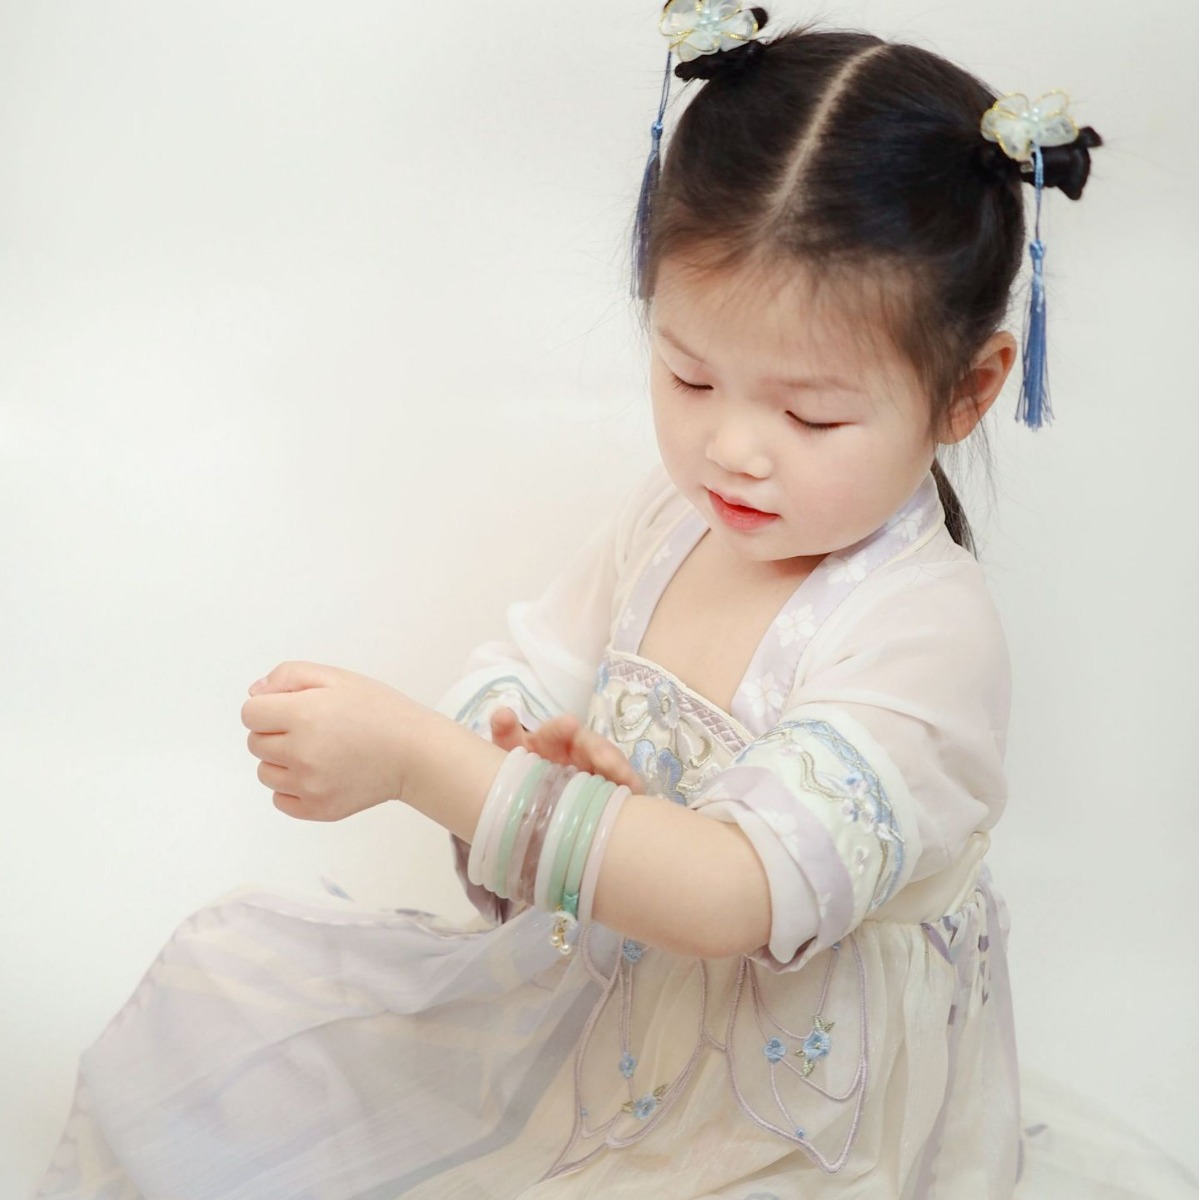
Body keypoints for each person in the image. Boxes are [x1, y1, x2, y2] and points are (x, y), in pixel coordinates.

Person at [35, 8, 1110, 1199]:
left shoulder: (923, 628)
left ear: (967, 392)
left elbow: (729, 893)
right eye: (689, 375)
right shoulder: (675, 521)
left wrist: (423, 762)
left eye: (810, 414)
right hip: (612, 1016)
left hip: (801, 1108)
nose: (733, 448)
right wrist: (524, 748)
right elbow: (532, 660)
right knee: (233, 994)